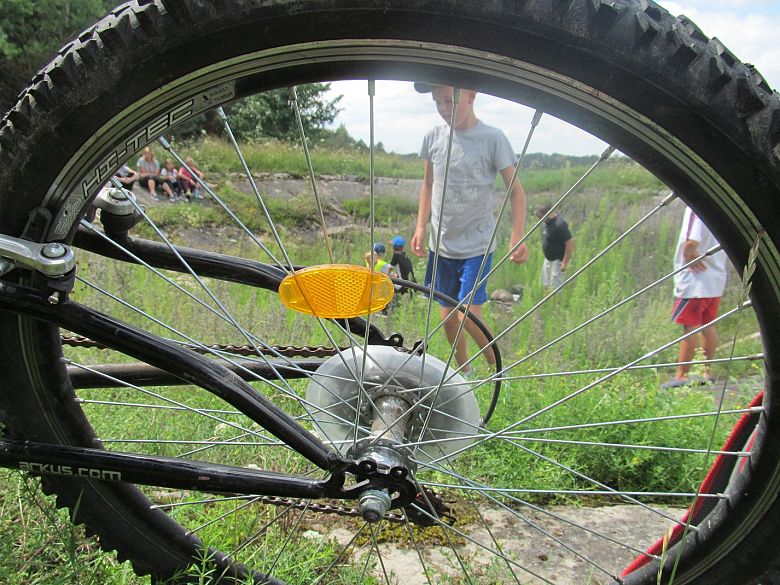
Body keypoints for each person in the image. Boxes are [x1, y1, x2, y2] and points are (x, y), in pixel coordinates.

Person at [410, 83, 529, 374]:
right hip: (441, 244)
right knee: (447, 317)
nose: (444, 109)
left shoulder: (492, 139)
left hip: (476, 244)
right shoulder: (433, 137)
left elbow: (516, 192)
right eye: (438, 102)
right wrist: (420, 226)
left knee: (467, 315)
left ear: (473, 94)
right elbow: (428, 184)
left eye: (450, 101)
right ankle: (464, 372)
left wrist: (517, 237)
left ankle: (497, 370)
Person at [662, 206, 728, 389]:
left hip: (694, 280)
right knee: (709, 325)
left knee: (689, 327)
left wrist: (688, 253)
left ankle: (681, 375)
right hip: (715, 277)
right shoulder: (720, 209)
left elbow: (692, 241)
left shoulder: (696, 208)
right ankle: (706, 372)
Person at [535, 204, 574, 292]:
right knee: (545, 283)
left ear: (547, 214)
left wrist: (564, 262)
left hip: (558, 260)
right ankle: (545, 303)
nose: (539, 220)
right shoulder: (548, 222)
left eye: (540, 217)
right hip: (548, 260)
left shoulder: (560, 224)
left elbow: (570, 243)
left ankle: (554, 304)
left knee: (555, 287)